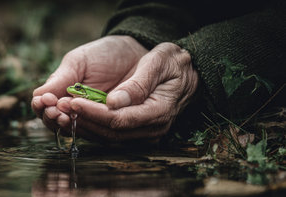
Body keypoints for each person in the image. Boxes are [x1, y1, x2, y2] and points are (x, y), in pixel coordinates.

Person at [32, 0, 286, 143]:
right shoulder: (85, 93)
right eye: (78, 89)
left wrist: (201, 60)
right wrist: (138, 36)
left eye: (79, 89)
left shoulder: (86, 92)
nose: (77, 90)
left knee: (111, 100)